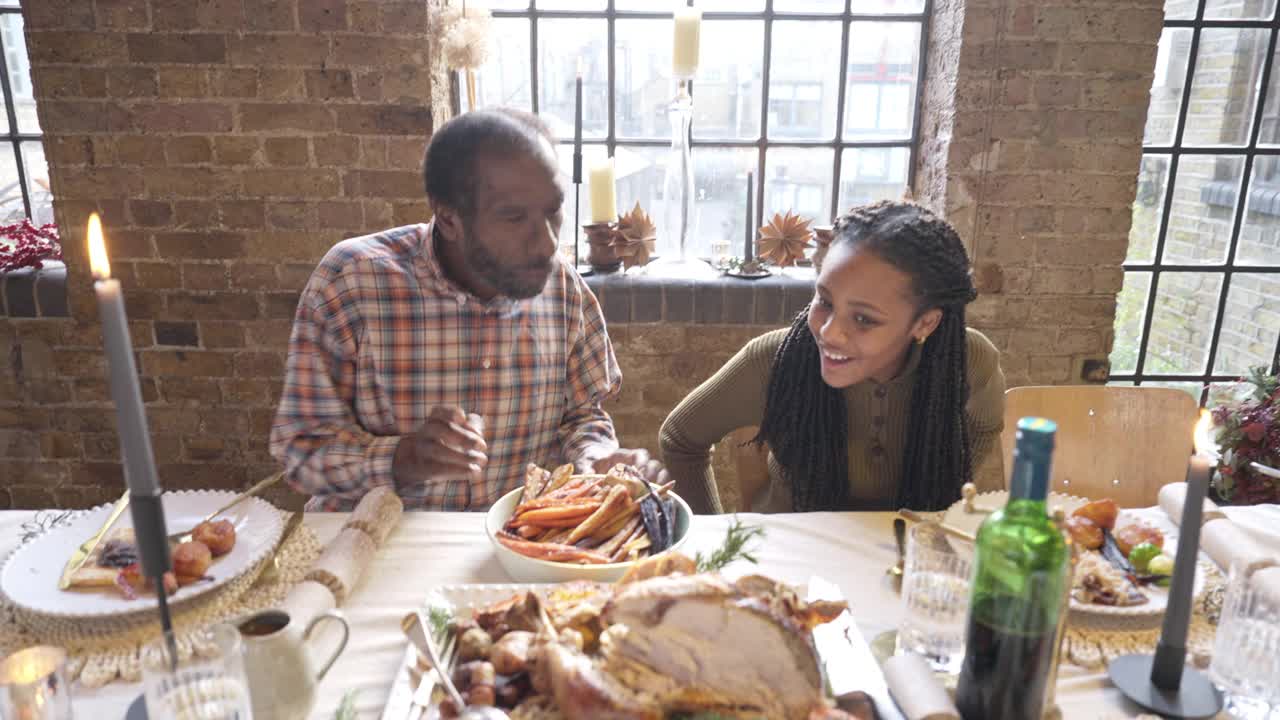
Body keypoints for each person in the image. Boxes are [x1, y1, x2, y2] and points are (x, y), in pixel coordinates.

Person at [271, 109, 661, 511]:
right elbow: (300, 451)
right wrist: (398, 459)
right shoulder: (351, 282)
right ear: (449, 218)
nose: (547, 245)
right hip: (373, 548)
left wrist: (594, 457)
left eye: (553, 211)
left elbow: (582, 417)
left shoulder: (563, 288)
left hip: (515, 545)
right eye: (513, 217)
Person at [660, 200, 1006, 514]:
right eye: (825, 300)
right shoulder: (773, 360)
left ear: (925, 322)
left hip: (901, 556)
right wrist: (711, 538)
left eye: (863, 319)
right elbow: (680, 438)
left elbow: (985, 425)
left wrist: (941, 495)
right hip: (791, 558)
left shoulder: (969, 360)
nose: (828, 332)